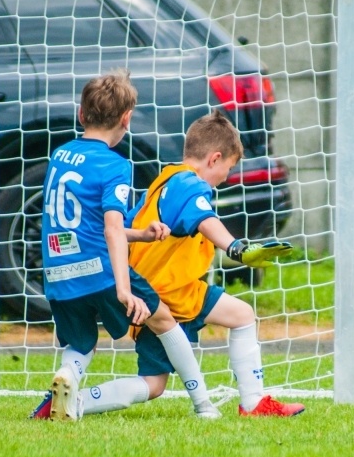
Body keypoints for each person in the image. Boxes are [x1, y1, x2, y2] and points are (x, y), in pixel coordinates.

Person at [73, 110, 305, 417]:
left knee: (241, 315)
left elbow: (126, 229)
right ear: (214, 158)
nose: (226, 177)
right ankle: (78, 402)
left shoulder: (163, 181)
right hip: (164, 298)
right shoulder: (190, 185)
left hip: (179, 290)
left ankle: (254, 403)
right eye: (228, 168)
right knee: (154, 385)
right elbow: (204, 218)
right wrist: (235, 248)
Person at [31, 71, 220, 421]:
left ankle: (68, 379)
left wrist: (142, 235)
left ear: (81, 114)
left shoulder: (60, 156)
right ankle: (204, 406)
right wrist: (123, 290)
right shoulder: (116, 165)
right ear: (127, 118)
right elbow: (112, 229)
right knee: (164, 319)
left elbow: (87, 224)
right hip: (101, 271)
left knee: (82, 342)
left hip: (59, 272)